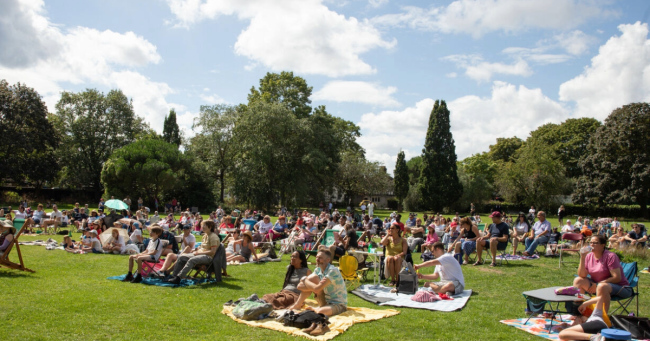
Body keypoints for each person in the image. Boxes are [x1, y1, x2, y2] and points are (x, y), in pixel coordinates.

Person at [573, 235, 632, 314]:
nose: (592, 245)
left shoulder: (610, 256)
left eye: (595, 243)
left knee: (602, 286)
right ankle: (578, 312)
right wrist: (582, 258)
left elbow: (617, 278)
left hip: (621, 288)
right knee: (578, 280)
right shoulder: (589, 256)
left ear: (603, 245)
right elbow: (582, 275)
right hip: (597, 286)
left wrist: (597, 284)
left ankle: (600, 317)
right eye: (591, 242)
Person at [288, 249, 347, 319]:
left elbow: (316, 289)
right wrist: (314, 287)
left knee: (320, 312)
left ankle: (314, 310)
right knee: (314, 279)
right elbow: (299, 286)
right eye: (317, 257)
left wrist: (304, 279)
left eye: (320, 258)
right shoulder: (318, 270)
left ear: (328, 260)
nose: (317, 260)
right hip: (324, 301)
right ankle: (298, 305)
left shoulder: (332, 271)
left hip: (338, 304)